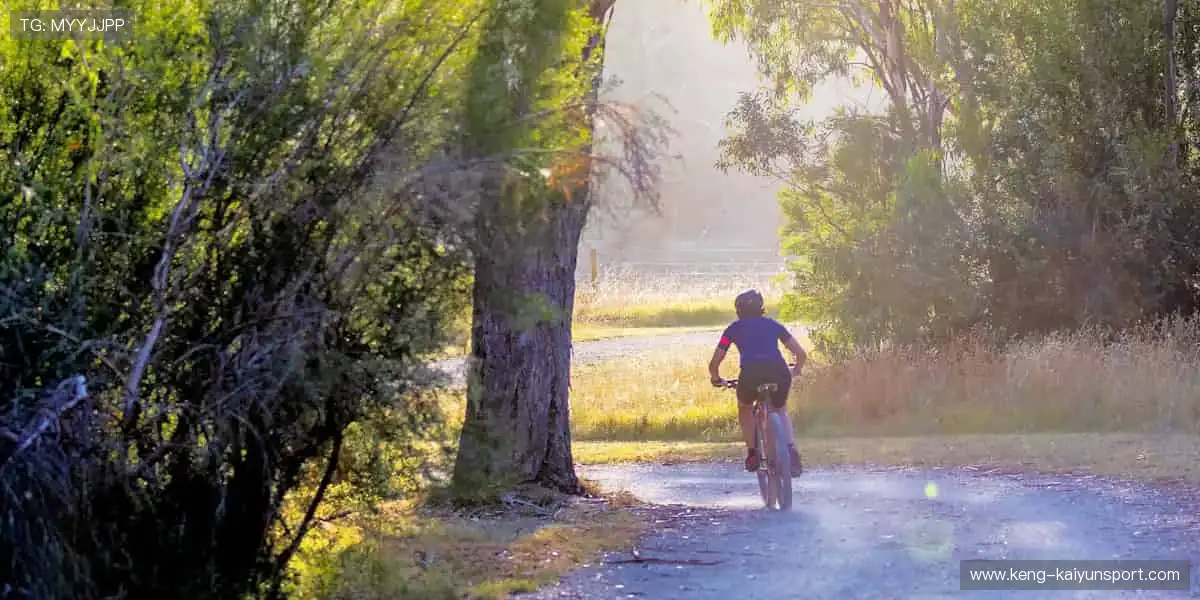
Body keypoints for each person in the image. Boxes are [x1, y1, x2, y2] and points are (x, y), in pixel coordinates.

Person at [707, 289, 806, 476]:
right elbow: (800, 354)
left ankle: (752, 453)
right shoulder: (774, 325)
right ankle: (791, 450)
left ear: (738, 310)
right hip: (779, 371)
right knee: (780, 408)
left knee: (745, 407)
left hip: (751, 374)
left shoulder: (733, 329)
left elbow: (715, 361)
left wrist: (716, 378)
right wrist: (797, 369)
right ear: (761, 308)